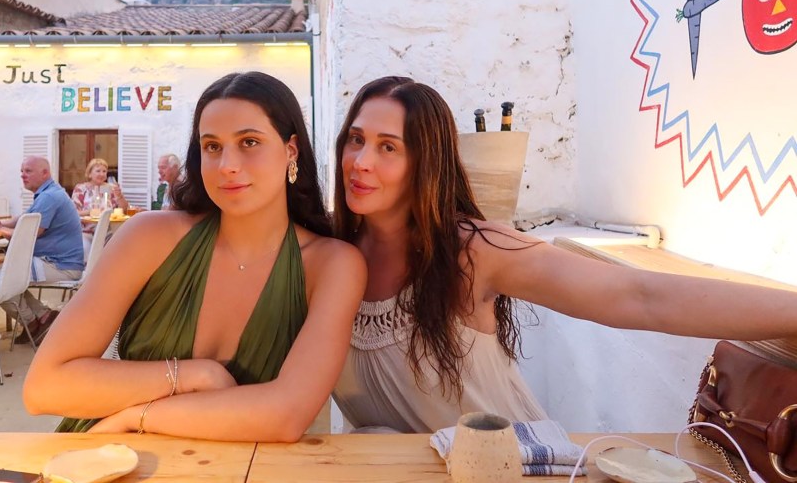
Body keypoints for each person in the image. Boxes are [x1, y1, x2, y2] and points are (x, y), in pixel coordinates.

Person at [331, 76, 797, 433]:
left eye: (388, 147)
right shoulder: (328, 256)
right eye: (356, 139)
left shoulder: (472, 251)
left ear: (426, 163)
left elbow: (639, 295)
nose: (361, 161)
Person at [23, 71, 366, 441]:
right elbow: (44, 387)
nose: (227, 166)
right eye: (212, 146)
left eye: (249, 141)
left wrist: (137, 417)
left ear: (291, 150)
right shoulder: (149, 238)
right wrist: (195, 376)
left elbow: (287, 415)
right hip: (106, 461)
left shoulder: (332, 265)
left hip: (213, 460)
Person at [0, 156, 84, 345]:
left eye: (28, 171)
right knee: (9, 282)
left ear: (45, 173)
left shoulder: (49, 196)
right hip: (58, 262)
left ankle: (30, 322)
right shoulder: (49, 193)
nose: (23, 175)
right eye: (22, 171)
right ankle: (44, 317)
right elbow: (25, 219)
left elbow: (30, 232)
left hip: (59, 265)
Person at [70, 158, 129, 256]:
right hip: (86, 232)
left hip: (108, 231)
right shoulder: (81, 188)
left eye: (104, 171)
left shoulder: (110, 188)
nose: (101, 174)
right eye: (98, 171)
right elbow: (74, 212)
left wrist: (119, 196)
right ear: (89, 174)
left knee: (118, 251)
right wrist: (91, 212)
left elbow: (123, 210)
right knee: (87, 253)